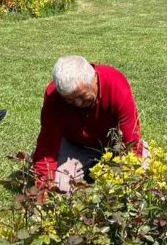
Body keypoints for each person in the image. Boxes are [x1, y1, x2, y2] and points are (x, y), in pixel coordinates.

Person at [33, 56, 144, 193]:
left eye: (82, 96)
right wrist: (42, 189)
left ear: (94, 79)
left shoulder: (116, 84)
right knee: (60, 187)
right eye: (69, 100)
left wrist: (131, 176)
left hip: (115, 146)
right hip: (76, 145)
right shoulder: (54, 95)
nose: (78, 104)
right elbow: (47, 146)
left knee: (144, 174)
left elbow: (131, 139)